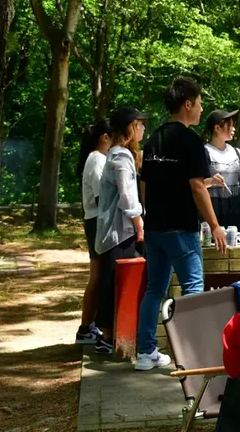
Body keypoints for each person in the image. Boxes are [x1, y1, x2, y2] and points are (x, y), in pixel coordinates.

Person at [136, 77, 227, 372]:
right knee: (193, 290)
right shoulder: (190, 142)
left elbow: (145, 186)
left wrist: (150, 217)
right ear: (187, 104)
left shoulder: (153, 139)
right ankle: (195, 355)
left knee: (154, 291)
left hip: (155, 229)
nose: (201, 110)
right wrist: (215, 225)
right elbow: (198, 187)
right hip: (181, 230)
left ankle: (145, 354)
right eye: (200, 103)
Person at [93, 107, 148, 355]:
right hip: (118, 232)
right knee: (115, 282)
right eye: (139, 124)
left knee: (112, 280)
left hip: (114, 231)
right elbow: (127, 196)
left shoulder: (118, 154)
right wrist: (139, 223)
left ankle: (109, 334)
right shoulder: (121, 157)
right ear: (129, 127)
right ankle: (107, 336)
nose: (143, 128)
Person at [75, 119, 112, 345]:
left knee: (97, 276)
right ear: (104, 138)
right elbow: (102, 197)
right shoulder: (97, 159)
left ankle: (87, 326)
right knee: (98, 277)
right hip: (97, 221)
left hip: (95, 220)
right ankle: (86, 327)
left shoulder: (96, 158)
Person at [204, 109, 240, 233]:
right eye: (230, 125)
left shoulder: (236, 152)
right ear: (217, 128)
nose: (234, 129)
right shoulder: (204, 152)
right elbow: (197, 185)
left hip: (236, 209)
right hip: (214, 210)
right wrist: (212, 181)